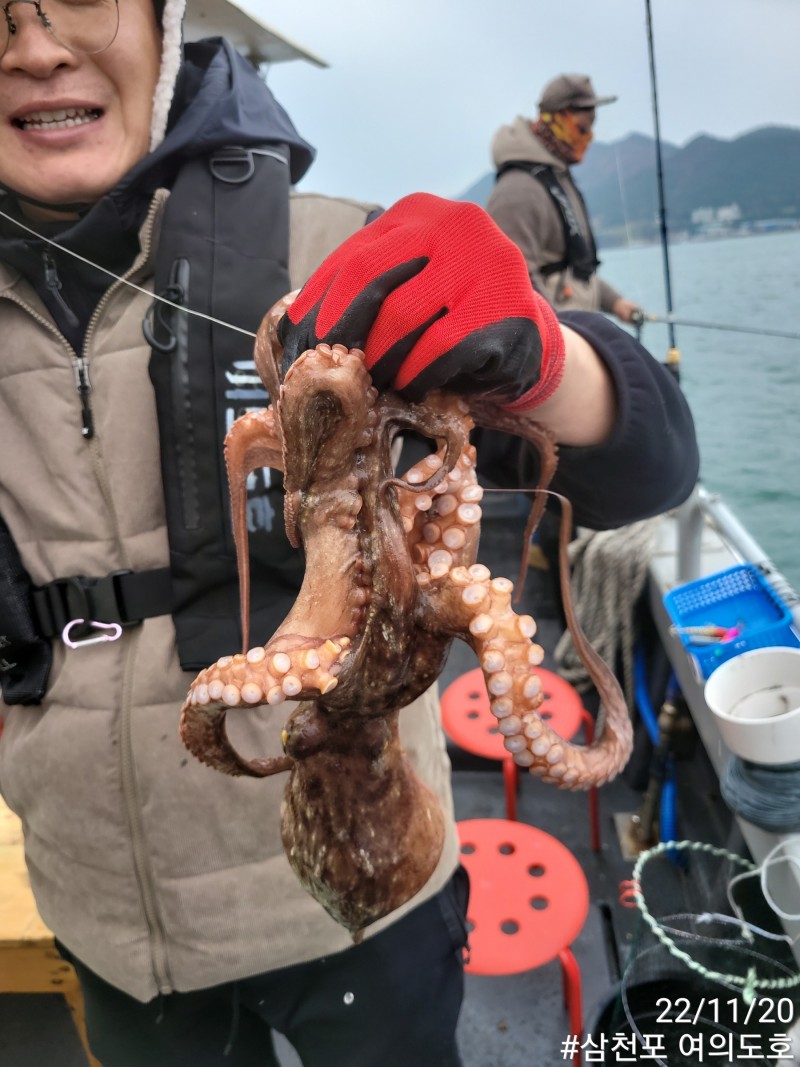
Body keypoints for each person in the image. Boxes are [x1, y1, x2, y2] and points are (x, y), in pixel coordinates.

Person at [0, 3, 698, 1065]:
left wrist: (550, 361)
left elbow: (651, 465)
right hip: (98, 906)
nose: (36, 47)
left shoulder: (337, 258)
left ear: (161, 21)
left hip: (381, 878)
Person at [486, 72, 641, 323]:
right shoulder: (519, 190)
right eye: (582, 128)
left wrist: (616, 302)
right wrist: (561, 337)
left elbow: (575, 268)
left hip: (573, 333)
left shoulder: (557, 178)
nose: (589, 137)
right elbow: (513, 282)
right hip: (556, 340)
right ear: (556, 119)